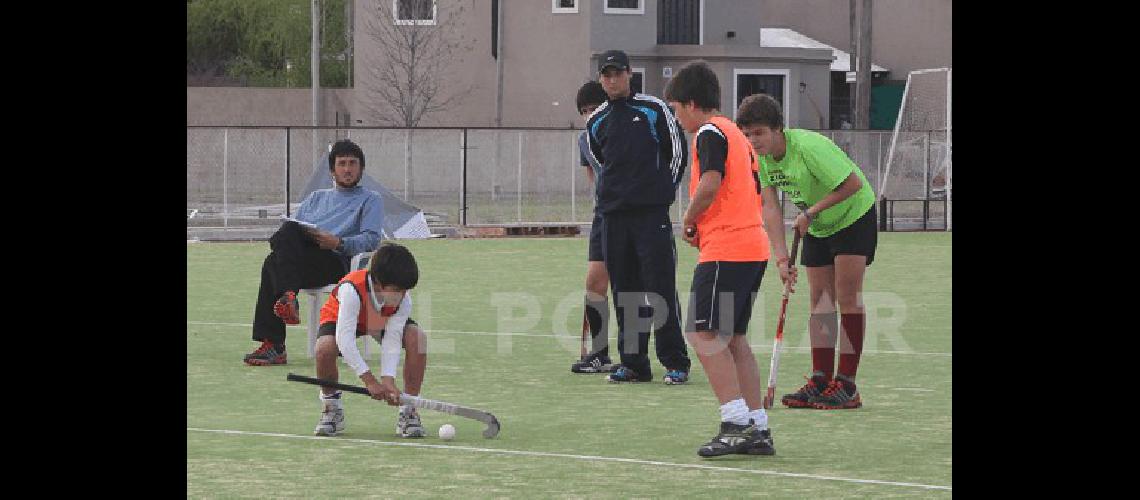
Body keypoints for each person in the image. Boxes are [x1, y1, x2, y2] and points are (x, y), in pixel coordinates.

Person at [737, 93, 878, 410]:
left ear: (777, 129)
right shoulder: (761, 160)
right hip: (816, 225)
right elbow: (770, 207)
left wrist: (811, 212)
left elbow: (853, 184)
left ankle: (847, 385)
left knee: (847, 296)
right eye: (747, 134)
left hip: (854, 215)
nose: (753, 140)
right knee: (819, 300)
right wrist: (781, 257)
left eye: (759, 133)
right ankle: (820, 380)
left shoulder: (808, 148)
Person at [665, 60, 775, 457]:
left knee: (702, 334)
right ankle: (758, 427)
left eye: (677, 109)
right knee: (733, 339)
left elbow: (710, 184)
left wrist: (689, 219)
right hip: (751, 247)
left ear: (692, 104)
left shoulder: (709, 132)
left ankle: (735, 423)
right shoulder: (737, 135)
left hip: (728, 249)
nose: (677, 118)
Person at [585, 49, 691, 384]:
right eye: (606, 74)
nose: (612, 79)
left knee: (659, 285)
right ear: (601, 79)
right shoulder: (596, 120)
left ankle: (675, 361)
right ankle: (633, 363)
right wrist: (615, 198)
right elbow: (602, 163)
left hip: (652, 214)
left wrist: (661, 193)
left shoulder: (653, 109)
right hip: (614, 217)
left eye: (618, 73)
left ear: (630, 74)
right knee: (625, 289)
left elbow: (677, 154)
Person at [244, 139, 384, 366]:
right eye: (342, 164)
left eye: (352, 163)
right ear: (332, 170)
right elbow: (296, 231)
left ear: (361, 169)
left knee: (273, 261)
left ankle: (275, 344)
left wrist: (338, 242)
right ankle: (288, 298)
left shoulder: (370, 200)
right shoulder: (316, 198)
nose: (347, 169)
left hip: (336, 261)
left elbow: (372, 238)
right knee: (287, 232)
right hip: (305, 258)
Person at [312, 242, 429, 438]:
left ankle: (409, 410)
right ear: (378, 282)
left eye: (404, 291)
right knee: (324, 348)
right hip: (342, 317)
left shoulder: (403, 300)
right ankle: (331, 408)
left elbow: (392, 339)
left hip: (379, 319)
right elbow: (345, 341)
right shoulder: (351, 290)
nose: (401, 296)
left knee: (417, 338)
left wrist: (387, 380)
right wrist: (370, 381)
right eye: (397, 290)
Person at [570, 81, 617, 374]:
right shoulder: (583, 140)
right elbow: (592, 174)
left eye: (594, 109)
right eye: (584, 111)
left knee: (633, 287)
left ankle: (643, 355)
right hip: (604, 215)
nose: (589, 115)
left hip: (630, 215)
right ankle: (600, 353)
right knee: (594, 284)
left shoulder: (619, 133)